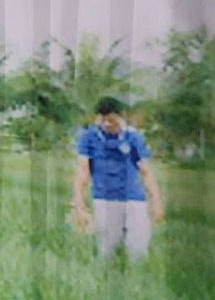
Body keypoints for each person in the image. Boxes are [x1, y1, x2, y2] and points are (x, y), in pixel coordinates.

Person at [70, 95, 165, 260]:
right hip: (104, 199)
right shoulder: (89, 138)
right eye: (103, 120)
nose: (107, 124)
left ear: (122, 117)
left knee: (138, 250)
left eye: (111, 120)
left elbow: (145, 172)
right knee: (108, 251)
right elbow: (83, 171)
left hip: (134, 199)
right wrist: (79, 204)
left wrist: (156, 202)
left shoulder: (133, 138)